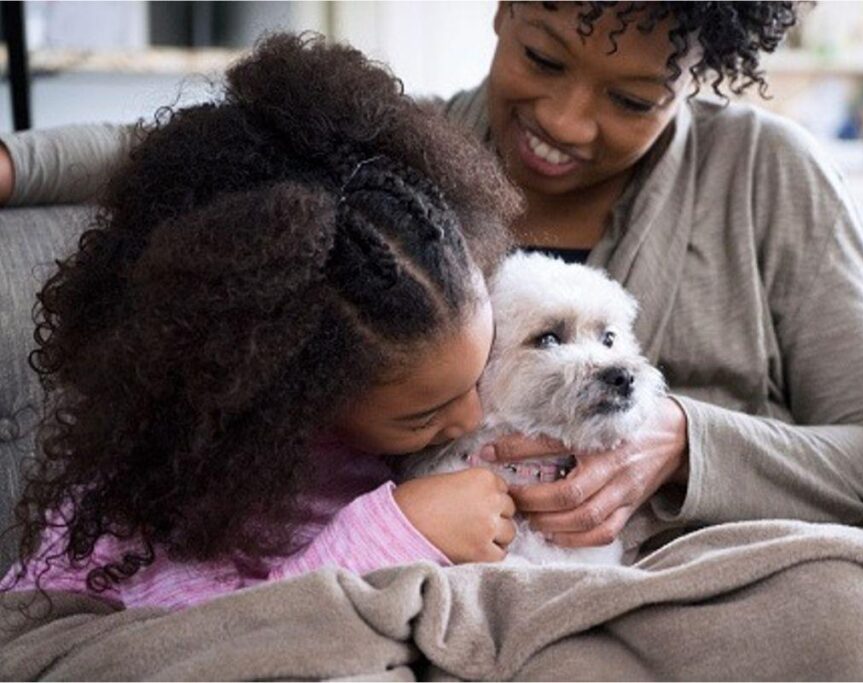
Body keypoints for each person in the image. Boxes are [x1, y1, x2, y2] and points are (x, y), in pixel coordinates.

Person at [0, 3, 863, 677]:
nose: (566, 121)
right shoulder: (399, 169)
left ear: (692, 79)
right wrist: (16, 161)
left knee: (857, 629)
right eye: (542, 58)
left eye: (632, 99)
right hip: (459, 588)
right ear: (501, 10)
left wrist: (681, 441)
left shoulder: (767, 176)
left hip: (695, 565)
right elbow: (206, 153)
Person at [0, 33, 525, 611]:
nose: (472, 417)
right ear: (293, 395)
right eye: (423, 415)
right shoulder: (184, 489)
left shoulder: (408, 385)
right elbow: (206, 640)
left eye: (475, 377)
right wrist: (395, 532)